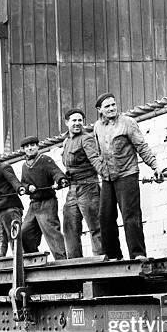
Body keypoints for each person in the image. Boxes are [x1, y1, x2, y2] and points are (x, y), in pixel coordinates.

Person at [89, 92, 164, 260]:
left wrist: (155, 167)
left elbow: (142, 146)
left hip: (127, 175)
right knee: (105, 218)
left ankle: (138, 254)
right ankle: (114, 256)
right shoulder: (97, 127)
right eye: (107, 106)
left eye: (113, 105)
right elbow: (98, 153)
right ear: (100, 110)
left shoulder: (128, 123)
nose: (111, 108)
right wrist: (101, 169)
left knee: (130, 216)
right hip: (108, 178)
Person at [61, 108, 103, 258]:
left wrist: (105, 175)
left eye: (80, 120)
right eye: (74, 120)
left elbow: (95, 159)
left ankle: (100, 263)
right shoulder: (66, 142)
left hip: (89, 187)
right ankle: (74, 265)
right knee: (69, 228)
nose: (77, 123)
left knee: (95, 227)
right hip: (72, 190)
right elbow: (69, 166)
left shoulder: (87, 138)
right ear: (67, 122)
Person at [20, 136, 68, 260]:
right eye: (27, 147)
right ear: (24, 149)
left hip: (48, 202)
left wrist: (61, 180)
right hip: (34, 204)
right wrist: (27, 187)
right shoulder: (24, 166)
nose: (30, 148)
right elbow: (23, 183)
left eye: (33, 145)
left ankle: (62, 261)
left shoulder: (45, 159)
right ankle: (33, 259)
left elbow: (56, 173)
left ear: (38, 146)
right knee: (24, 232)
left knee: (51, 232)